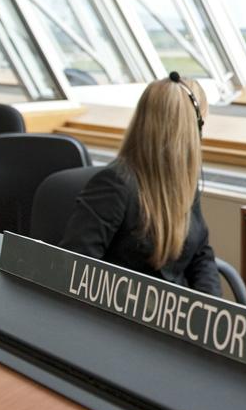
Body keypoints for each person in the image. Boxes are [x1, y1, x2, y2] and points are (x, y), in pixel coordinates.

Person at [61, 75, 222, 296]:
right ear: (191, 129)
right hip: (126, 316)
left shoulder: (184, 181)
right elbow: (75, 272)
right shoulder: (114, 185)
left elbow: (201, 254)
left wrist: (212, 309)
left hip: (176, 313)